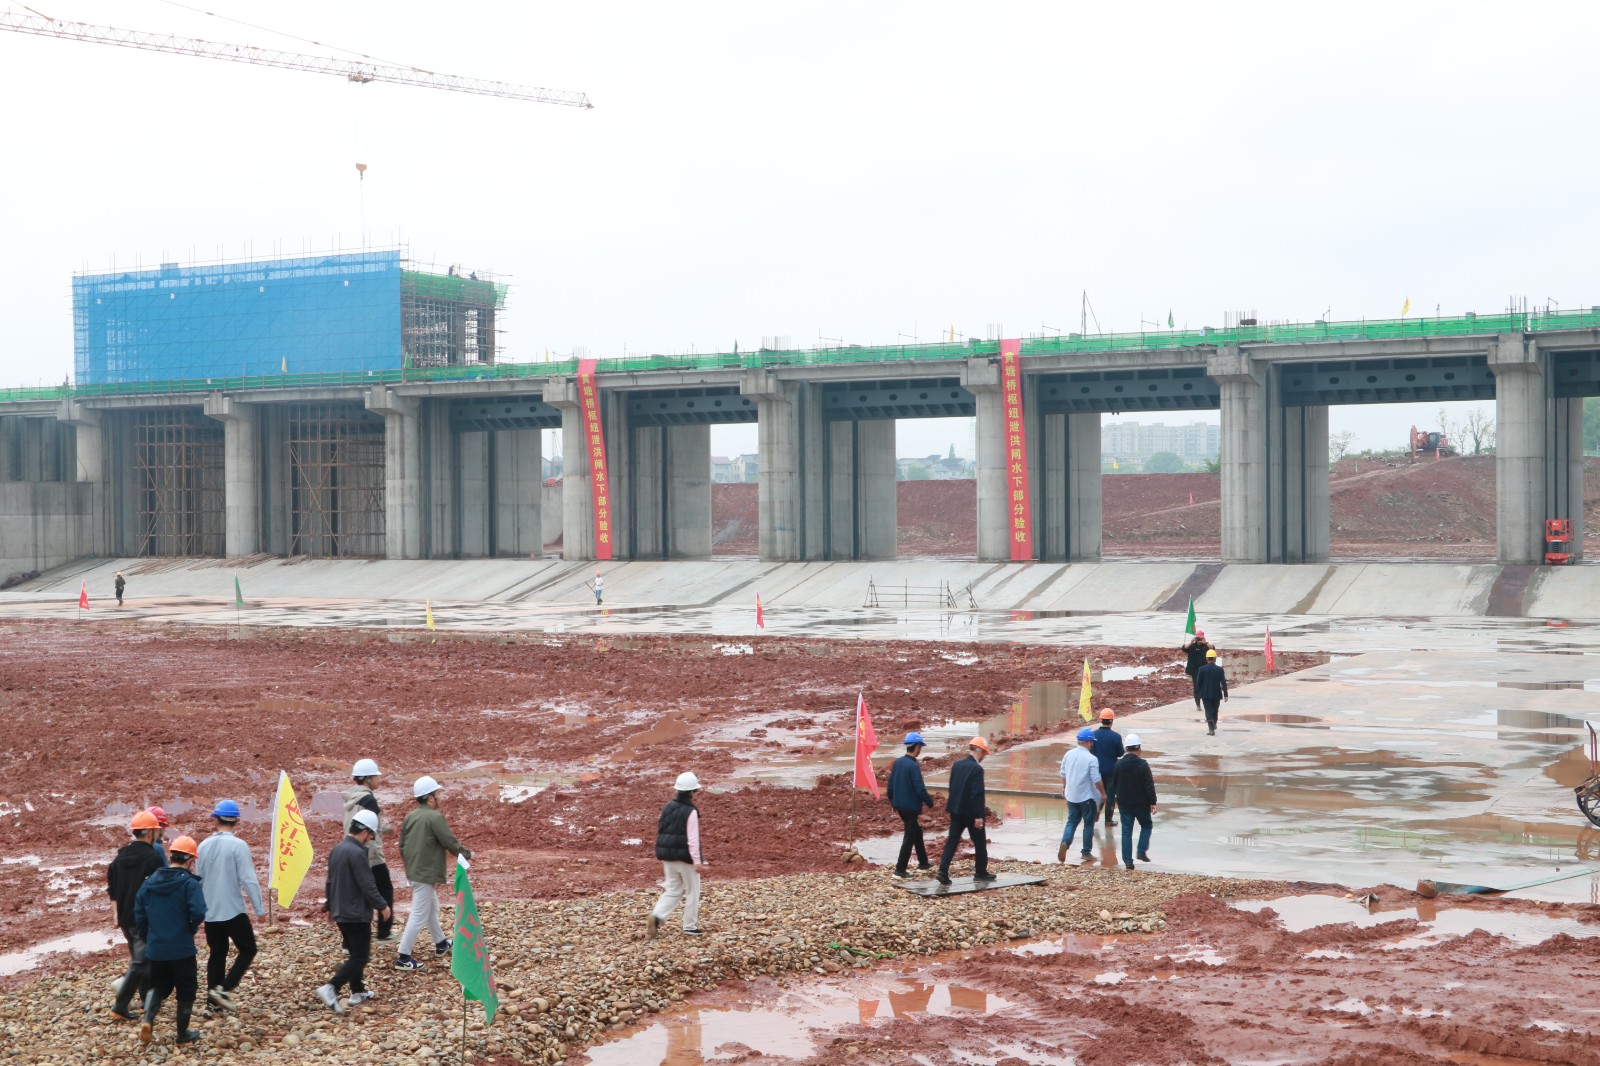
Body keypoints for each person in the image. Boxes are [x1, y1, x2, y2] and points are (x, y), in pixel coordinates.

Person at [134, 835, 207, 1046]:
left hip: (156, 948)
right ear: (190, 860)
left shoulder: (149, 883)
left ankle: (148, 1020)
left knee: (158, 986)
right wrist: (190, 928)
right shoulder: (189, 884)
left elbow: (139, 914)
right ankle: (182, 1034)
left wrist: (148, 937)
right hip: (182, 948)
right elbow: (198, 912)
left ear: (171, 856)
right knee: (186, 989)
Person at [395, 775, 474, 971]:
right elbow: (449, 841)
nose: (440, 796)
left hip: (414, 871)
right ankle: (403, 956)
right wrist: (466, 854)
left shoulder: (410, 817)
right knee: (419, 915)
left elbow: (402, 845)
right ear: (430, 797)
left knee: (430, 909)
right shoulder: (435, 817)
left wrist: (412, 865)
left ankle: (441, 943)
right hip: (424, 874)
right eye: (438, 793)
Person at [316, 809, 391, 1014]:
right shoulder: (357, 853)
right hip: (355, 913)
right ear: (365, 832)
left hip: (340, 911)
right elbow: (367, 884)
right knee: (360, 956)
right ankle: (332, 987)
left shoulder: (338, 848)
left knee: (354, 952)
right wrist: (382, 905)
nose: (371, 839)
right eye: (371, 835)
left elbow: (330, 881)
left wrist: (330, 904)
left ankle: (357, 991)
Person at [195, 799, 264, 1010]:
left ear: (215, 820)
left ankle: (212, 1004)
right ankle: (224, 989)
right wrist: (259, 908)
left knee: (217, 954)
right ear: (236, 821)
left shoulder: (203, 845)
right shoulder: (238, 845)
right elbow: (248, 879)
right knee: (248, 949)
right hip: (233, 910)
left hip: (210, 911)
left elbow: (198, 879)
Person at [108, 810, 166, 1021]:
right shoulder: (153, 859)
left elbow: (112, 889)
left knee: (140, 958)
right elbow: (160, 891)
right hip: (144, 918)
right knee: (142, 962)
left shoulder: (119, 858)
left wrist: (115, 914)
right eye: (156, 831)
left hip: (125, 918)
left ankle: (145, 1002)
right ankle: (121, 1004)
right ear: (150, 832)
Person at [649, 771, 706, 938]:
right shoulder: (691, 811)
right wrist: (697, 861)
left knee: (673, 889)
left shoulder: (667, 807)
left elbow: (662, 830)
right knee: (693, 892)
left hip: (667, 856)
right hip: (685, 858)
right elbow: (693, 839)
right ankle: (690, 926)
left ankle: (657, 917)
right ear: (692, 791)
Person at [343, 758, 394, 943]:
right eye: (376, 777)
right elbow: (372, 831)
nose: (378, 780)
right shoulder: (369, 800)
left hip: (350, 849)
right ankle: (384, 932)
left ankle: (348, 941)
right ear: (367, 779)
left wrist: (384, 829)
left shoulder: (351, 798)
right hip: (370, 854)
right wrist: (370, 860)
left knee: (355, 896)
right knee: (384, 890)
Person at [936, 737, 994, 885]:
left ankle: (942, 871)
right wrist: (978, 816)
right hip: (971, 813)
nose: (984, 757)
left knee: (952, 841)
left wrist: (953, 806)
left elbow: (952, 787)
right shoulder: (977, 769)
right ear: (980, 751)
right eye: (984, 754)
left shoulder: (957, 765)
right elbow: (976, 794)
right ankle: (981, 872)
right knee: (980, 843)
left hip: (956, 810)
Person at [886, 731, 936, 879]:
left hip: (899, 806)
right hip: (910, 808)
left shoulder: (898, 762)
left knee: (916, 831)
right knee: (909, 837)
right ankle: (900, 869)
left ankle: (923, 862)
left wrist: (893, 802)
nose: (921, 749)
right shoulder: (913, 766)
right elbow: (919, 788)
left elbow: (890, 786)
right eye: (920, 746)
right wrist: (929, 801)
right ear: (917, 746)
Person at [1057, 726, 1104, 863]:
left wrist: (1065, 787)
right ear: (1088, 742)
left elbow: (1063, 774)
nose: (1092, 744)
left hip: (1071, 796)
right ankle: (1086, 852)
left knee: (1072, 821)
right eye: (1092, 742)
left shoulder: (1068, 754)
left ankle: (1065, 842)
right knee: (1088, 824)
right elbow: (1096, 779)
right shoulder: (1091, 759)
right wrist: (1103, 793)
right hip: (1086, 797)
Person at [1114, 733, 1158, 870]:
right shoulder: (1143, 765)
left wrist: (1115, 799)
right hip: (1141, 803)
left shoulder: (1118, 764)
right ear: (1139, 748)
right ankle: (1141, 851)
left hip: (1124, 803)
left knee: (1126, 832)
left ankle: (1128, 862)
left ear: (1126, 748)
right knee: (1146, 825)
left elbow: (1113, 784)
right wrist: (1153, 802)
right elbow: (1149, 785)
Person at [1091, 710, 1125, 828]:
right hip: (1111, 770)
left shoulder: (1093, 735)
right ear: (1111, 721)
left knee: (1099, 793)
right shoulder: (1116, 737)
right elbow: (1120, 753)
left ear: (1101, 720)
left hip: (1097, 770)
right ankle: (1108, 820)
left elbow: (1090, 750)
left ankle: (1095, 812)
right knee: (1110, 795)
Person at [1196, 649, 1230, 735]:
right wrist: (1226, 695)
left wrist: (1199, 692)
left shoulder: (1202, 669)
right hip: (1216, 693)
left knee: (1208, 710)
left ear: (1207, 658)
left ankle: (1211, 728)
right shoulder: (1219, 669)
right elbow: (1223, 683)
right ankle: (1214, 723)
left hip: (1205, 694)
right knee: (1215, 710)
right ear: (1215, 658)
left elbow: (1198, 683)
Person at [1182, 629, 1212, 712]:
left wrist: (1205, 642)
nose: (1199, 640)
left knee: (1206, 687)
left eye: (1200, 638)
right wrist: (1191, 642)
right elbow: (1184, 648)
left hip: (1205, 669)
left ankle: (1207, 704)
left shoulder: (1206, 646)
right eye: (1198, 638)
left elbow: (1212, 648)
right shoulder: (1192, 646)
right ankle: (1198, 706)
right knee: (1196, 688)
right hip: (1194, 670)